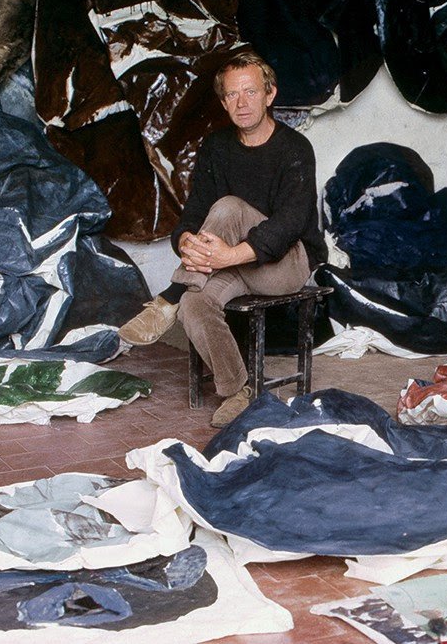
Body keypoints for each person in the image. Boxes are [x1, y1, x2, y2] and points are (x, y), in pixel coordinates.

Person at [119, 51, 327, 427]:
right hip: (232, 261)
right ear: (223, 101)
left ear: (270, 94)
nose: (242, 102)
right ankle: (238, 392)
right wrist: (184, 241)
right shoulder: (217, 148)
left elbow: (289, 224)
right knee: (195, 305)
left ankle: (169, 296)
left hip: (286, 263)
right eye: (232, 95)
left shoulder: (295, 149)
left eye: (250, 92)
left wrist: (229, 256)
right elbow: (195, 214)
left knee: (229, 207)